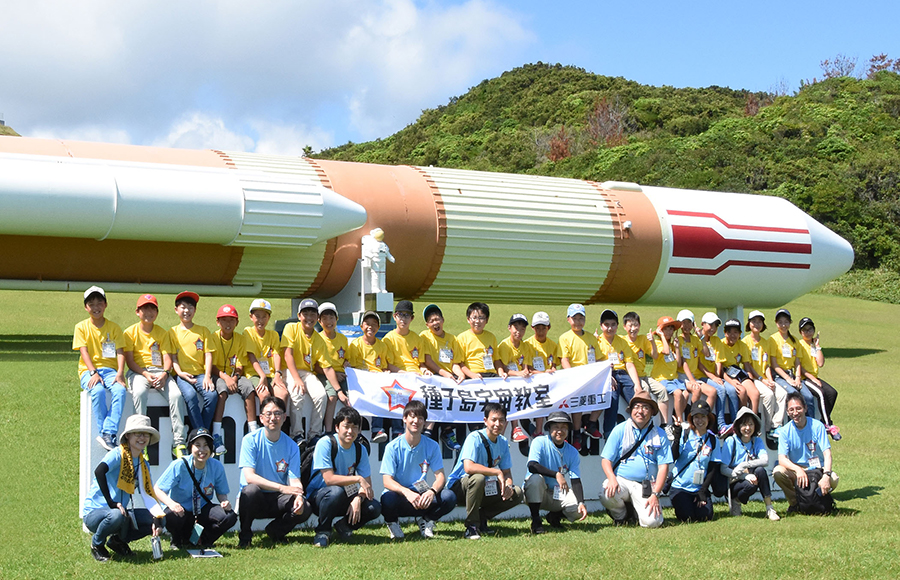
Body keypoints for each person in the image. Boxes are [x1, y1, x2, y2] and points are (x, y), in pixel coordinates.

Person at [82, 414, 164, 562]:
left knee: (158, 519)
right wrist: (111, 503)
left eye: (146, 434)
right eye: (138, 433)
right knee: (116, 515)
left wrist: (157, 519)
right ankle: (97, 545)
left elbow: (148, 493)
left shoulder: (142, 464)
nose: (142, 437)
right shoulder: (117, 453)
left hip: (121, 513)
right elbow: (99, 471)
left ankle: (117, 541)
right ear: (128, 436)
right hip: (96, 513)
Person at [237, 396, 311, 548]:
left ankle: (275, 531)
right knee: (250, 491)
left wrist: (298, 496)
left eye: (277, 414)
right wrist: (282, 488)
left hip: (277, 499)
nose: (273, 418)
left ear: (284, 417)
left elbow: (295, 480)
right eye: (268, 414)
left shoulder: (291, 446)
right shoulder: (250, 440)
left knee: (305, 507)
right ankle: (245, 537)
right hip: (255, 498)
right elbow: (249, 477)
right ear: (261, 418)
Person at [124, 293, 189, 458]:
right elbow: (130, 362)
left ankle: (179, 443)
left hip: (160, 372)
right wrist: (145, 373)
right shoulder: (129, 332)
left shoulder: (162, 333)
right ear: (137, 312)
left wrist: (165, 374)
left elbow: (167, 358)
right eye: (144, 309)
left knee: (176, 395)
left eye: (152, 309)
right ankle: (140, 443)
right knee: (139, 393)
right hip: (139, 372)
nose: (148, 313)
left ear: (157, 312)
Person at [446, 402, 524, 539]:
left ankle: (481, 518)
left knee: (517, 493)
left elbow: (506, 472)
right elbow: (468, 467)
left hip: (482, 488)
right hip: (459, 487)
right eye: (494, 420)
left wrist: (508, 485)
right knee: (478, 478)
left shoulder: (503, 442)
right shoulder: (474, 437)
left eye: (501, 420)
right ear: (485, 421)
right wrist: (496, 472)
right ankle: (471, 526)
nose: (497, 424)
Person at [380, 401, 457, 539]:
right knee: (387, 499)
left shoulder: (432, 446)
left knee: (449, 497)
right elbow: (387, 481)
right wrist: (406, 492)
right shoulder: (392, 447)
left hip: (422, 495)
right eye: (412, 416)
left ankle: (427, 520)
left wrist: (432, 492)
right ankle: (393, 524)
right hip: (401, 496)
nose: (416, 421)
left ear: (424, 422)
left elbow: (440, 477)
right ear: (404, 419)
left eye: (420, 418)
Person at [307, 406, 381, 548]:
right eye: (346, 426)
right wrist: (358, 479)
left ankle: (344, 526)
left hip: (344, 494)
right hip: (320, 496)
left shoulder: (360, 449)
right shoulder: (326, 443)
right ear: (337, 427)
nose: (350, 431)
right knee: (336, 491)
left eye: (355, 427)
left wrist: (358, 498)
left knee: (374, 507)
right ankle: (323, 532)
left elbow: (368, 486)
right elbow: (329, 479)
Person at [153, 427, 238, 549]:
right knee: (171, 515)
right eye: (197, 445)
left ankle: (204, 540)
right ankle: (176, 541)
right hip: (181, 511)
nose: (202, 450)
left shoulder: (216, 466)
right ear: (190, 447)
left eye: (206, 445)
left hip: (201, 510)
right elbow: (158, 489)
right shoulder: (179, 465)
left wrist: (224, 501)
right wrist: (172, 504)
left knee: (229, 516)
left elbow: (221, 493)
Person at [599, 393, 673, 528]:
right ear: (631, 410)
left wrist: (655, 494)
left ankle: (636, 511)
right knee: (606, 492)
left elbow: (663, 467)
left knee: (653, 522)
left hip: (646, 484)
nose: (640, 411)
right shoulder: (620, 430)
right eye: (637, 406)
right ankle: (622, 516)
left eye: (645, 407)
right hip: (622, 480)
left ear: (652, 412)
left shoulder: (660, 434)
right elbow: (606, 460)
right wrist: (611, 478)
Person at [73, 285, 128, 451]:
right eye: (91, 304)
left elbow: (120, 352)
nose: (95, 307)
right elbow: (84, 352)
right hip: (88, 370)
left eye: (99, 303)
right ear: (86, 307)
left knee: (120, 390)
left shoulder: (114, 328)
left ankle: (108, 432)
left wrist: (120, 373)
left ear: (105, 305)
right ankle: (105, 432)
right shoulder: (81, 327)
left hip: (111, 371)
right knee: (97, 391)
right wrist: (93, 372)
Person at [282, 298, 341, 447]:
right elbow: (287, 355)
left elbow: (327, 368)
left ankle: (314, 434)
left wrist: (339, 390)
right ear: (299, 315)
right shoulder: (291, 328)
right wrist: (296, 379)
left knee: (321, 396)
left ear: (317, 317)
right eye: (305, 313)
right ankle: (297, 434)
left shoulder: (318, 339)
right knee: (297, 394)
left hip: (307, 373)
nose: (309, 318)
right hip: (289, 370)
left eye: (313, 314)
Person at [773, 392, 839, 513]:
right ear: (787, 412)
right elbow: (782, 459)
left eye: (798, 408)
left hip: (818, 469)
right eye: (791, 410)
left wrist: (826, 475)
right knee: (778, 472)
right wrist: (798, 470)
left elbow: (827, 454)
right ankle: (795, 503)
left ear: (805, 408)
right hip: (797, 470)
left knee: (833, 479)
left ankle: (818, 500)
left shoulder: (818, 426)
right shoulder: (784, 431)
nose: (795, 413)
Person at [523, 412, 588, 534]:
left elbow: (575, 480)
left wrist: (581, 502)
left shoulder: (572, 451)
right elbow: (532, 466)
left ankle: (554, 516)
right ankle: (536, 521)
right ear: (549, 428)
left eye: (564, 427)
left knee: (578, 510)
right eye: (556, 427)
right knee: (536, 479)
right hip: (537, 493)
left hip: (557, 493)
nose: (560, 431)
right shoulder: (539, 441)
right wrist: (556, 474)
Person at [376, 300, 431, 442]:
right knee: (397, 393)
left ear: (412, 318)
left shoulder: (417, 339)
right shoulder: (389, 339)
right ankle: (398, 431)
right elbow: (388, 364)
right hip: (399, 377)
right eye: (400, 315)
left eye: (407, 315)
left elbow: (422, 364)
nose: (403, 319)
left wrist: (425, 371)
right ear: (395, 317)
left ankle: (426, 430)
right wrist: (405, 374)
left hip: (416, 377)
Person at [719, 407, 780, 520]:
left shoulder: (757, 441)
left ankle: (769, 508)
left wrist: (744, 465)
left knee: (760, 471)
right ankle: (735, 500)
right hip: (734, 480)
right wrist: (744, 475)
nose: (748, 428)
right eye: (744, 425)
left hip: (751, 475)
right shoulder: (731, 441)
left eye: (751, 424)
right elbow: (723, 469)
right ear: (738, 426)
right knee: (750, 484)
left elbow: (765, 460)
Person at [169, 291, 218, 433]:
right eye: (183, 307)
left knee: (211, 395)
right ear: (176, 310)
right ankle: (201, 433)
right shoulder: (172, 332)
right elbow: (173, 358)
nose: (187, 311)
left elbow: (208, 355)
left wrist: (208, 376)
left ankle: (200, 430)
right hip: (182, 375)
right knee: (190, 396)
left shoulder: (203, 331)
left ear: (195, 310)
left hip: (201, 375)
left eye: (190, 307)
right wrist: (180, 373)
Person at [419, 303, 466, 450]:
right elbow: (427, 360)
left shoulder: (452, 339)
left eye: (437, 319)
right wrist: (444, 374)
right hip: (433, 376)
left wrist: (460, 375)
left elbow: (455, 364)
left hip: (448, 377)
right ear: (427, 324)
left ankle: (447, 432)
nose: (435, 323)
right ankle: (429, 431)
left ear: (443, 320)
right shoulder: (424, 336)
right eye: (431, 321)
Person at [559, 303, 605, 450]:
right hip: (574, 376)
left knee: (605, 395)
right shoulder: (565, 337)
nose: (578, 321)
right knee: (577, 405)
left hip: (591, 376)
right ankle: (577, 433)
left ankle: (591, 423)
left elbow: (599, 358)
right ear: (568, 319)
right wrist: (573, 375)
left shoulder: (591, 338)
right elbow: (564, 359)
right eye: (575, 318)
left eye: (581, 318)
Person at [211, 304, 257, 451]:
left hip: (235, 375)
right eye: (224, 320)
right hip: (217, 374)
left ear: (237, 322)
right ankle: (216, 434)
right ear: (218, 322)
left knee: (249, 388)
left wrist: (235, 377)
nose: (228, 323)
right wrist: (226, 378)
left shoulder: (240, 338)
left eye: (231, 320)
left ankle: (253, 430)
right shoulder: (213, 337)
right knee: (222, 391)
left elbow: (240, 364)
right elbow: (211, 366)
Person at [668, 401, 722, 523]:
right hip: (680, 486)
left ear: (709, 418)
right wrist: (676, 437)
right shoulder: (685, 434)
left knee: (705, 516)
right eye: (696, 417)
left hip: (699, 487)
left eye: (703, 416)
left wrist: (703, 491)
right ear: (691, 418)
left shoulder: (713, 440)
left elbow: (712, 468)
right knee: (687, 517)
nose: (699, 420)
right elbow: (673, 456)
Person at [623, 312, 673, 437]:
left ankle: (665, 424)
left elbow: (655, 356)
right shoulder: (622, 340)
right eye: (630, 325)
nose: (633, 328)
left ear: (639, 326)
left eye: (635, 325)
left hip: (644, 375)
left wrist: (652, 342)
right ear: (624, 327)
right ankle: (646, 424)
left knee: (662, 390)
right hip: (631, 376)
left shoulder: (643, 339)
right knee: (644, 390)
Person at [743, 310, 787, 443]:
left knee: (782, 393)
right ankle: (767, 429)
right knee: (768, 395)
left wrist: (770, 380)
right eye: (754, 321)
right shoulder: (745, 342)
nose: (757, 324)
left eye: (759, 321)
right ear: (749, 324)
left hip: (765, 378)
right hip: (753, 378)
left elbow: (767, 365)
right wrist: (762, 380)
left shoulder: (766, 342)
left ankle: (776, 425)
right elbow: (748, 365)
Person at [798, 317, 842, 440]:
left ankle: (824, 418)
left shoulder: (813, 345)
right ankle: (828, 424)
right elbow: (800, 367)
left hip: (815, 377)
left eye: (810, 329)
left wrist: (817, 346)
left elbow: (821, 363)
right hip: (804, 378)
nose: (808, 332)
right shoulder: (800, 345)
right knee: (821, 394)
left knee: (832, 393)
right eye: (805, 330)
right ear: (801, 332)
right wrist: (813, 379)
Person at [769, 309, 817, 418]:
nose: (783, 325)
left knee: (808, 397)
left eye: (786, 322)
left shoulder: (794, 340)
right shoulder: (773, 339)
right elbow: (774, 364)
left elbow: (797, 362)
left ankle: (811, 424)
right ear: (776, 323)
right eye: (780, 322)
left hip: (792, 375)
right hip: (779, 376)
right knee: (792, 394)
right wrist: (788, 379)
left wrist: (798, 378)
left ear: (790, 322)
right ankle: (794, 424)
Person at [698, 312, 740, 436]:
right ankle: (721, 425)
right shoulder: (697, 340)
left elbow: (718, 361)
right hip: (701, 375)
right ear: (703, 325)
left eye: (715, 325)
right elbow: (698, 363)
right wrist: (713, 377)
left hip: (714, 376)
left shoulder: (716, 341)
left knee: (732, 390)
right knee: (720, 389)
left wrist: (717, 376)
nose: (713, 328)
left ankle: (735, 423)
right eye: (710, 325)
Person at [243, 298, 289, 409]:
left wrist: (278, 374)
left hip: (271, 373)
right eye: (257, 316)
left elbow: (277, 354)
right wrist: (262, 375)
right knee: (265, 395)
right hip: (254, 373)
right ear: (251, 317)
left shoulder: (273, 334)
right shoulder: (248, 331)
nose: (261, 320)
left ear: (269, 318)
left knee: (283, 394)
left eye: (264, 317)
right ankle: (264, 423)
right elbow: (251, 355)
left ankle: (279, 423)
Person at [497, 313, 535, 442]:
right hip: (507, 383)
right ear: (509, 328)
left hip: (520, 383)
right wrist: (520, 374)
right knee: (509, 405)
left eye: (522, 328)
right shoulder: (505, 345)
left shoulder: (526, 346)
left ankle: (521, 430)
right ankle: (513, 430)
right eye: (516, 328)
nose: (519, 331)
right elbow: (504, 368)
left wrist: (525, 372)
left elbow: (526, 366)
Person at [316, 302, 352, 433]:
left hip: (342, 374)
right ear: (319, 321)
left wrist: (346, 364)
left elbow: (345, 357)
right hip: (324, 374)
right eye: (324, 318)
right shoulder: (318, 338)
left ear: (336, 319)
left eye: (331, 317)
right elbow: (316, 366)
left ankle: (353, 427)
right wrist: (334, 375)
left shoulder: (342, 338)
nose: (328, 321)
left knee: (354, 396)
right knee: (332, 397)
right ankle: (328, 429)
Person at [525, 311, 561, 437]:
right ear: (532, 328)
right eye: (537, 328)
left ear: (549, 328)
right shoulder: (527, 344)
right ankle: (538, 431)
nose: (540, 331)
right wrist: (542, 373)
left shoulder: (553, 345)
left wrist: (551, 371)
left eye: (543, 328)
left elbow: (554, 365)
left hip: (548, 380)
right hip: (533, 380)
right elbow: (527, 367)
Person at [676, 310, 718, 415]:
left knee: (712, 392)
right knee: (697, 390)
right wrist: (692, 380)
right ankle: (693, 416)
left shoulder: (695, 340)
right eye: (684, 322)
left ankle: (705, 417)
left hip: (693, 377)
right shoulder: (679, 340)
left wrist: (701, 337)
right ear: (679, 324)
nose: (687, 325)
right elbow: (684, 363)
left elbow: (706, 353)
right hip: (682, 376)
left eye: (689, 322)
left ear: (693, 324)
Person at [718, 318, 761, 416]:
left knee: (755, 394)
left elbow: (746, 365)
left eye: (736, 332)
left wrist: (750, 378)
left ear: (740, 333)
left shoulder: (742, 345)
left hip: (737, 372)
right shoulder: (720, 344)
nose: (733, 335)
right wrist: (731, 381)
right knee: (742, 391)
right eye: (729, 332)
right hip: (725, 374)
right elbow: (720, 370)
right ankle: (742, 419)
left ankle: (753, 420)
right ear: (725, 333)